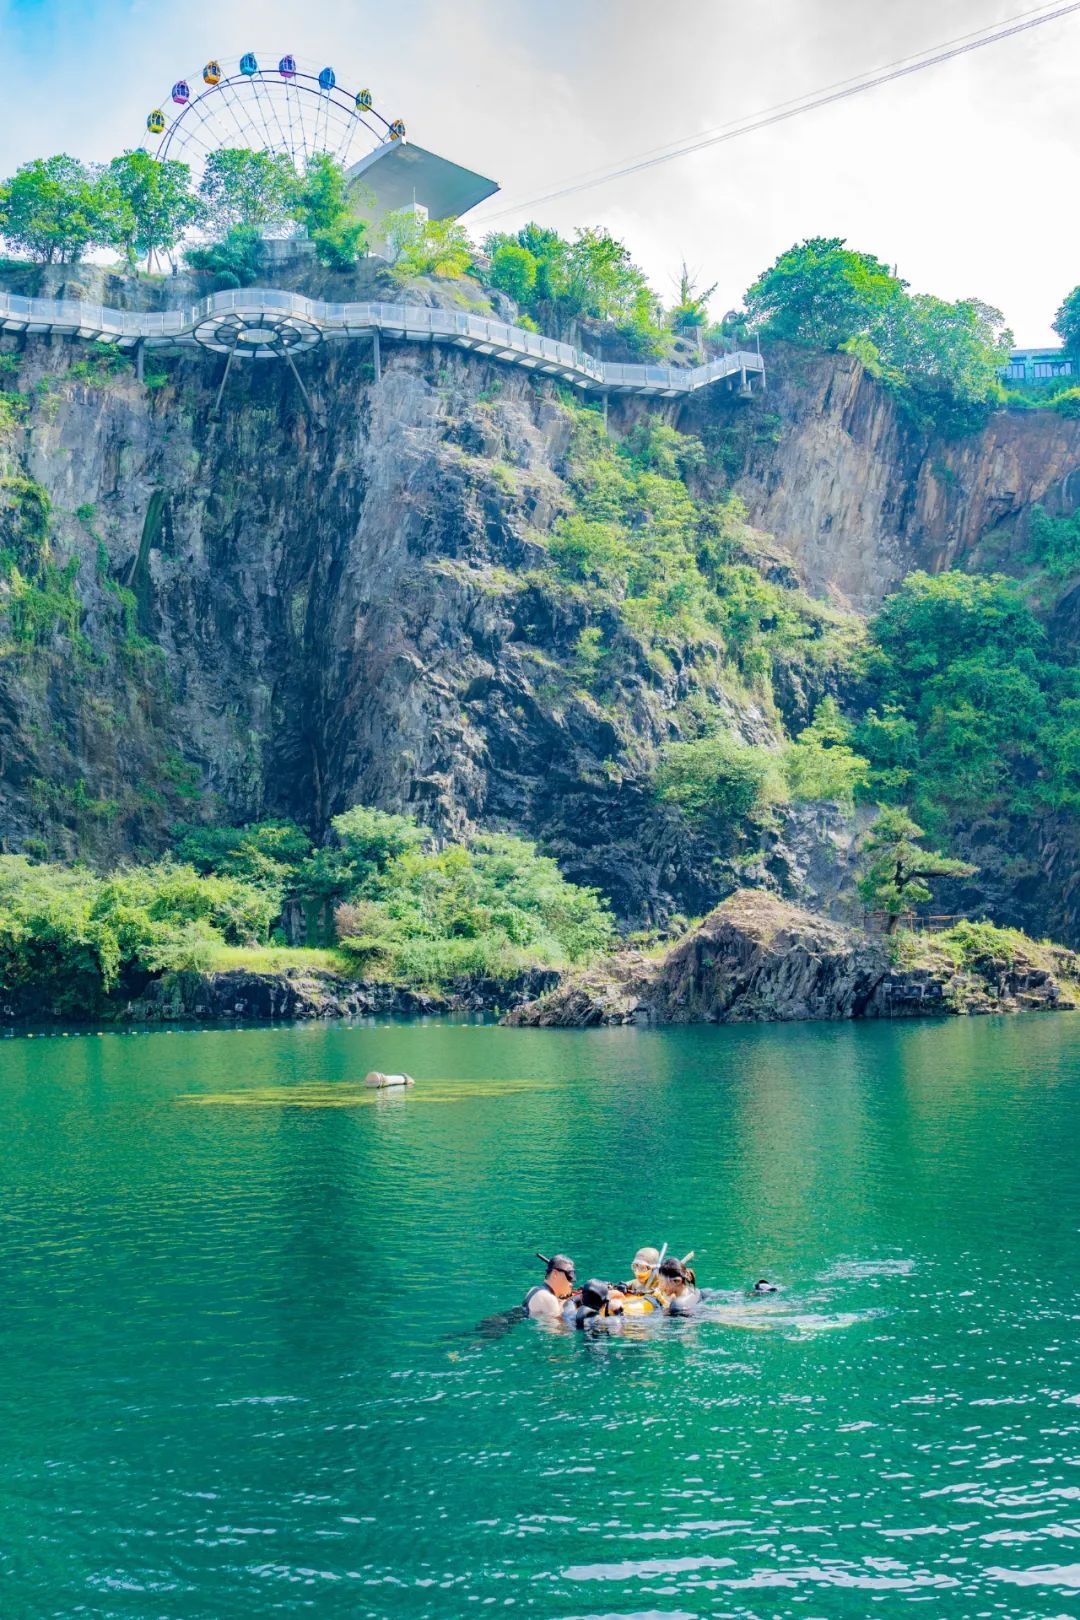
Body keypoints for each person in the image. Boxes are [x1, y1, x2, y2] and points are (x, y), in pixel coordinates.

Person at [523, 1253, 576, 1321]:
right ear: (555, 1274)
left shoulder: (535, 1289)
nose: (572, 1282)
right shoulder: (549, 1299)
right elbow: (557, 1330)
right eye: (569, 1275)